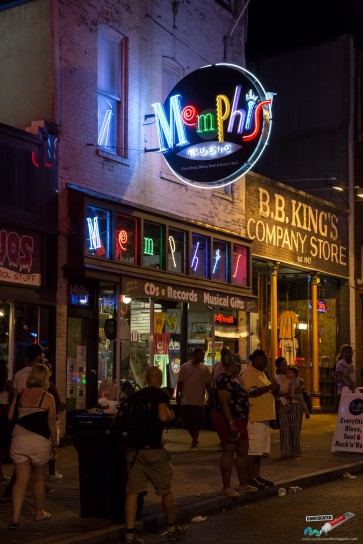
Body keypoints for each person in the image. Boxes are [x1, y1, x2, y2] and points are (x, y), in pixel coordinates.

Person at [123, 366, 186, 544]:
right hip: (153, 450)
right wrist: (171, 415)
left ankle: (129, 533)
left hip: (134, 451)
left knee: (133, 492)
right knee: (165, 490)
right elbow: (162, 416)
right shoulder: (160, 395)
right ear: (159, 379)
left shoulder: (135, 396)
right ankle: (172, 527)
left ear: (146, 378)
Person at [7, 363, 57, 529]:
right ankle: (39, 513)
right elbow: (51, 424)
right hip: (39, 442)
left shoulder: (21, 393)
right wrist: (54, 445)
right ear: (45, 378)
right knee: (38, 479)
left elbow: (10, 416)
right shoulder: (48, 397)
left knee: (21, 480)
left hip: (19, 440)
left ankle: (14, 519)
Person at [211, 353, 258, 496]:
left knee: (243, 449)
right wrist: (231, 422)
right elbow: (223, 402)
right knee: (229, 450)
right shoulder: (225, 378)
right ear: (232, 365)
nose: (239, 367)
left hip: (240, 418)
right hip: (230, 418)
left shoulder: (234, 379)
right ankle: (227, 487)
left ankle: (243, 484)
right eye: (238, 364)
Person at [240, 349, 279, 489]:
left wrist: (272, 389)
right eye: (264, 359)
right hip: (255, 416)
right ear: (255, 360)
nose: (266, 362)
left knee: (260, 450)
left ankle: (256, 475)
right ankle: (250, 477)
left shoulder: (262, 374)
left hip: (264, 416)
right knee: (253, 449)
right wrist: (270, 387)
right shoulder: (249, 373)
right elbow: (252, 391)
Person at [176, 347, 212, 451]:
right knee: (187, 422)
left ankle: (195, 442)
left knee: (196, 422)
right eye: (200, 354)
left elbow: (208, 385)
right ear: (194, 355)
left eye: (203, 354)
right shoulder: (184, 367)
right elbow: (180, 382)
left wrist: (210, 396)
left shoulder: (205, 369)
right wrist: (178, 395)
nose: (202, 356)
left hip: (198, 400)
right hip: (186, 399)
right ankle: (194, 439)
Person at [273, 357, 304, 458]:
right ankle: (286, 451)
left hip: (295, 403)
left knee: (295, 428)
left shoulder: (293, 375)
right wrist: (282, 394)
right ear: (278, 366)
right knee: (285, 428)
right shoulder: (276, 377)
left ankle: (296, 451)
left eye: (286, 364)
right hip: (282, 403)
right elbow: (274, 391)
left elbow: (302, 387)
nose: (285, 367)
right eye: (282, 365)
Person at [45, 360, 65, 480]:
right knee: (53, 444)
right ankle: (51, 472)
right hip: (51, 418)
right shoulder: (50, 386)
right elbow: (57, 401)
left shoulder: (28, 389)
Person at [0, 359, 14, 481]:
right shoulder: (8, 385)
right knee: (3, 447)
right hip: (4, 418)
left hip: (4, 418)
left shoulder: (7, 385)